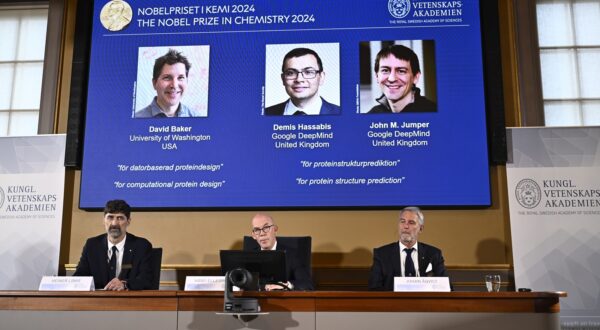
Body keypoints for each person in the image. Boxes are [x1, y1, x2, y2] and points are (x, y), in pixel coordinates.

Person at [73, 199, 154, 290]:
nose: (114, 223)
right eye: (110, 217)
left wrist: (124, 284)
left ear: (128, 221)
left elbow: (147, 279)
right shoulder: (92, 245)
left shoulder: (141, 246)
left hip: (129, 301)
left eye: (120, 218)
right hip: (97, 301)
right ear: (104, 220)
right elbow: (79, 277)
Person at [368, 207, 448, 291]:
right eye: (402, 221)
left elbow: (447, 288)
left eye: (411, 222)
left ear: (420, 228)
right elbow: (374, 289)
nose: (405, 226)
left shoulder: (433, 254)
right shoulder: (382, 254)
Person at [265, 47, 341, 116]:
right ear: (283, 79)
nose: (299, 79)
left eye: (308, 72)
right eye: (291, 73)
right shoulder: (266, 114)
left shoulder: (341, 113)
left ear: (321, 77)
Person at [249, 213, 314, 290]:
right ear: (253, 235)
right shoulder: (249, 257)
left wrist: (286, 285)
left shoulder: (292, 255)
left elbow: (307, 283)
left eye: (266, 227)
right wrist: (264, 287)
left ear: (275, 229)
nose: (262, 233)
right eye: (257, 230)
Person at [368, 45, 436, 113]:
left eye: (401, 71)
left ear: (415, 77)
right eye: (385, 70)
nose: (392, 79)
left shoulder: (433, 112)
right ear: (377, 76)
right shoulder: (372, 115)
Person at [135, 49, 199, 118]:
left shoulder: (197, 118)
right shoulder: (137, 119)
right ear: (154, 83)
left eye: (180, 78)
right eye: (167, 78)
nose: (174, 85)